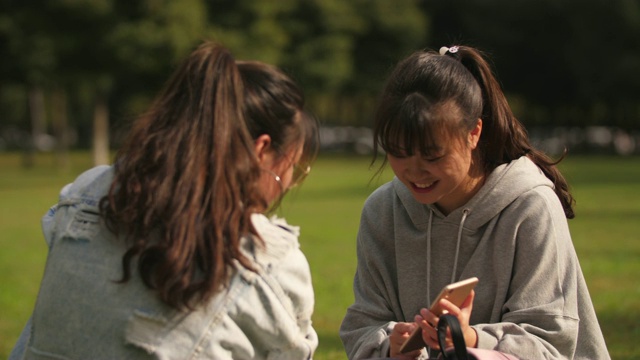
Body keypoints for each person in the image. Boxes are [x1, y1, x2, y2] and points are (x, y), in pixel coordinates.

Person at [9, 41, 319, 360]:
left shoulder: (85, 193)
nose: (290, 183)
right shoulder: (267, 257)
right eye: (293, 167)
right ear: (261, 150)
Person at [339, 45, 610, 360]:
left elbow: (551, 341)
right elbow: (363, 325)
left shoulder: (531, 207)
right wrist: (390, 347)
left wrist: (470, 338)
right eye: (398, 153)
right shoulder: (382, 211)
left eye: (432, 155)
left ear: (474, 133)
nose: (413, 171)